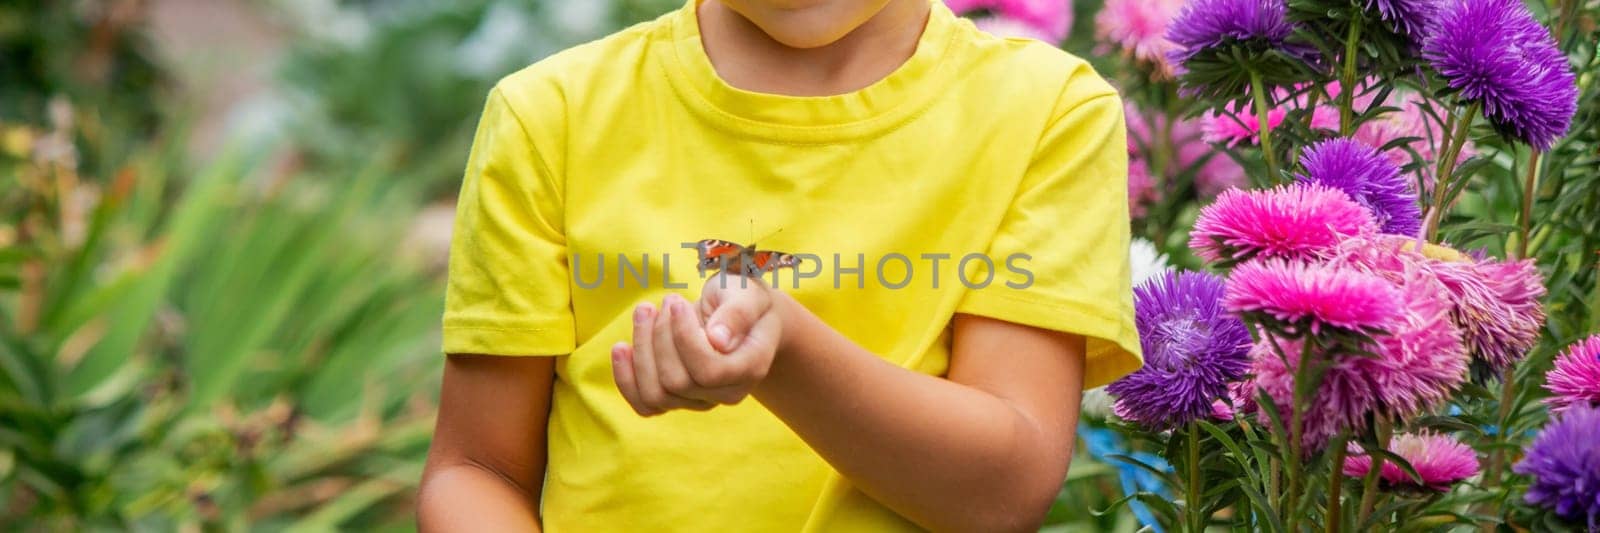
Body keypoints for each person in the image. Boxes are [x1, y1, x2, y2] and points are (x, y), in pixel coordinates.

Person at [417, 0, 1142, 530]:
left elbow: (1001, 493)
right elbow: (476, 470)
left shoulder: (1046, 112)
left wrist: (786, 350)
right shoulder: (551, 116)